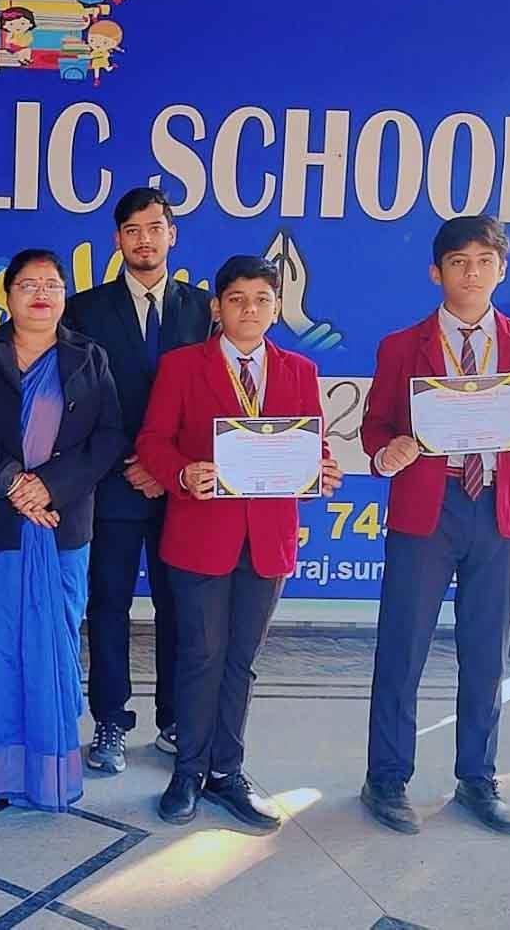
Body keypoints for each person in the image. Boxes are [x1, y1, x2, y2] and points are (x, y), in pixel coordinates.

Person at [360, 215, 510, 837]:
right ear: (436, 272)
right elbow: (376, 426)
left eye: (484, 262)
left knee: (486, 653)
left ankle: (478, 778)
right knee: (403, 647)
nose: (471, 274)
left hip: (500, 510)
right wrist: (387, 452)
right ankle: (386, 778)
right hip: (429, 507)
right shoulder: (402, 346)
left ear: (501, 270)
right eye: (458, 262)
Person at [135, 256, 341, 831]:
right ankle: (187, 772)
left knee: (242, 661)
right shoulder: (182, 366)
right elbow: (152, 441)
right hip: (200, 535)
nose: (250, 309)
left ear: (276, 308)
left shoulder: (299, 370)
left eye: (262, 299)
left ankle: (227, 771)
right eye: (237, 299)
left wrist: (322, 470)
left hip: (268, 540)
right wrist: (182, 472)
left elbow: (311, 444)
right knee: (200, 655)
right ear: (216, 307)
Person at [0, 250, 124, 811]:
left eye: (52, 285)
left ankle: (47, 769)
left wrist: (50, 487)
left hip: (60, 526)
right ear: (8, 295)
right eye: (28, 285)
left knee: (52, 648)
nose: (41, 294)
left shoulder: (89, 357)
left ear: (64, 294)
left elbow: (108, 437)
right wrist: (14, 483)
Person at [66, 187, 212, 775]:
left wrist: (167, 466)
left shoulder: (206, 310)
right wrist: (135, 461)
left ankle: (175, 717)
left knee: (182, 605)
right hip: (113, 481)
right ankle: (110, 720)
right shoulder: (85, 310)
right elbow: (80, 401)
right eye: (132, 230)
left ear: (172, 234)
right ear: (117, 240)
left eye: (154, 228)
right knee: (109, 605)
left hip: (185, 488)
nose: (144, 240)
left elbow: (216, 401)